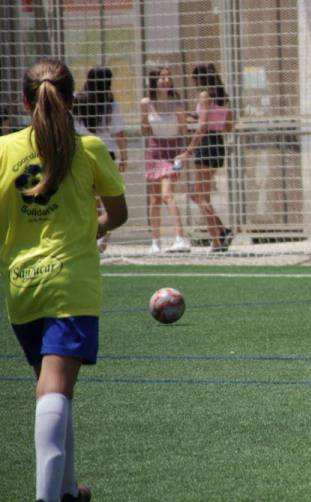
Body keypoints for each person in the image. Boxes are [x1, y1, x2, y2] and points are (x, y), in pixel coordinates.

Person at [1, 58, 127, 502]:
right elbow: (118, 212)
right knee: (56, 387)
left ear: (23, 100)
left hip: (22, 285)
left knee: (51, 385)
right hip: (71, 285)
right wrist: (93, 227)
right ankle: (47, 498)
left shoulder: (4, 150)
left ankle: (68, 489)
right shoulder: (87, 148)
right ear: (72, 100)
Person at [175, 63, 233, 252]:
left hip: (206, 144)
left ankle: (216, 242)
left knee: (202, 197)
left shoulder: (205, 95)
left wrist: (188, 151)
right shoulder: (223, 98)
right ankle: (222, 231)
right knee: (196, 195)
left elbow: (203, 126)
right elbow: (228, 126)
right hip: (218, 143)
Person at [73, 66, 127, 253]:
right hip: (105, 152)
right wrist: (124, 156)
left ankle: (94, 235)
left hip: (82, 151)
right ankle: (103, 234)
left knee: (90, 197)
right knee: (108, 198)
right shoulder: (109, 102)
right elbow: (119, 132)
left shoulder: (77, 99)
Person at [140, 67, 190, 254]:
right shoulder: (146, 103)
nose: (166, 80)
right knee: (154, 199)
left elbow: (184, 131)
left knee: (167, 194)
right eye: (162, 77)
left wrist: (184, 154)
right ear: (154, 81)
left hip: (173, 151)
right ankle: (155, 242)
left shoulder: (177, 104)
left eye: (168, 76)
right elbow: (144, 128)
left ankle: (180, 238)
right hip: (155, 149)